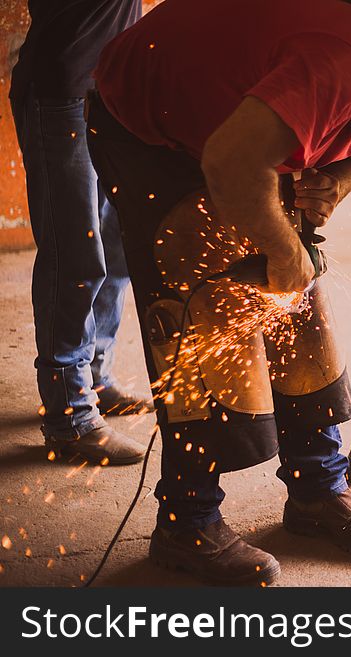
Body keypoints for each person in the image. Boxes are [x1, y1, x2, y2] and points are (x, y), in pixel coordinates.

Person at [86, 0, 351, 586]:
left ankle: (318, 489)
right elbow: (232, 158)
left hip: (236, 126)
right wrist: (284, 249)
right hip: (151, 132)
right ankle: (186, 523)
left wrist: (327, 183)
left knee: (300, 303)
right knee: (208, 305)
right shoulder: (342, 65)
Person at [9, 0, 152, 467]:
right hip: (61, 93)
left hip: (108, 94)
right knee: (75, 256)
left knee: (115, 248)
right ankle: (69, 414)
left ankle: (93, 373)